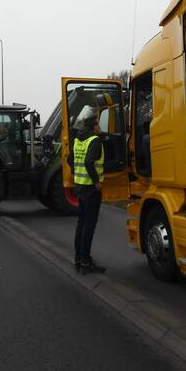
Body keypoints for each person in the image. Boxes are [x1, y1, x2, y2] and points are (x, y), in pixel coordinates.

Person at [71, 115, 105, 273]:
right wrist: (96, 181)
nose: (100, 127)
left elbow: (70, 159)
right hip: (91, 189)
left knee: (81, 223)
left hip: (79, 186)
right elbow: (88, 162)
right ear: (94, 126)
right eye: (99, 124)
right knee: (89, 225)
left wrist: (76, 174)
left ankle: (78, 258)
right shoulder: (95, 140)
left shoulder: (78, 139)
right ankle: (85, 260)